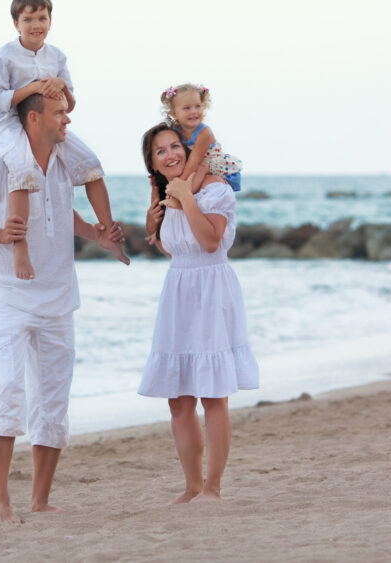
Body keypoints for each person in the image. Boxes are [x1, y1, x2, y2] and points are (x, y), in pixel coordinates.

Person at [0, 92, 126, 523]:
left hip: (57, 292)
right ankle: (0, 501)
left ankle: (40, 500)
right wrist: (1, 237)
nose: (67, 119)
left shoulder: (65, 160)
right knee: (9, 387)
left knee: (53, 397)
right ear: (33, 119)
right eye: (59, 112)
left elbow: (60, 211)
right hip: (6, 293)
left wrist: (96, 235)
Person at [139, 122, 259, 503]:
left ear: (191, 150)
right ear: (153, 163)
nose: (171, 155)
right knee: (179, 397)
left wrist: (186, 200)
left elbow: (209, 242)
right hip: (178, 291)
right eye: (161, 151)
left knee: (213, 393)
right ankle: (191, 486)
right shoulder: (164, 195)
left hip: (212, 288)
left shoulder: (216, 190)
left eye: (176, 146)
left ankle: (213, 487)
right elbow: (173, 247)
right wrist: (155, 221)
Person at [0, 0, 129, 279]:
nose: (36, 24)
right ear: (16, 23)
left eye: (42, 17)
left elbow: (71, 104)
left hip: (49, 122)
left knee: (90, 164)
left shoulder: (57, 57)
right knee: (21, 165)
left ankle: (107, 233)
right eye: (28, 19)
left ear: (51, 21)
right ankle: (20, 248)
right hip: (10, 122)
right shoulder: (5, 56)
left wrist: (59, 84)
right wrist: (36, 86)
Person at [160, 83, 242, 193]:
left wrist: (178, 184)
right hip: (193, 165)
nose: (194, 111)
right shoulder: (175, 131)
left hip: (212, 165)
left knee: (201, 167)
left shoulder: (204, 132)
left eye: (197, 106)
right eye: (187, 108)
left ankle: (182, 195)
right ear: (174, 114)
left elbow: (193, 162)